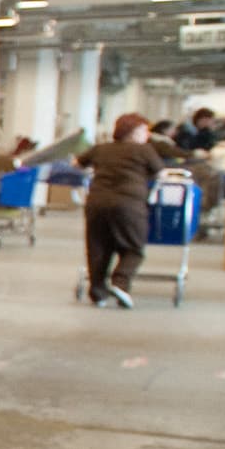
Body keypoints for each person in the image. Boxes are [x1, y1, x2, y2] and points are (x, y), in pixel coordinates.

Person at [76, 110, 179, 308]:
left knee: (98, 248)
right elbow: (160, 174)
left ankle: (98, 294)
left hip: (97, 203)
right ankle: (120, 283)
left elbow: (77, 164)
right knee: (133, 247)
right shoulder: (145, 151)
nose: (146, 135)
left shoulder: (101, 149)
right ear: (131, 132)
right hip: (129, 204)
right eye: (143, 130)